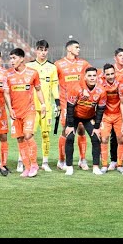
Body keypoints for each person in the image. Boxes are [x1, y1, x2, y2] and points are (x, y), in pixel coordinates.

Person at [3, 48, 46, 178]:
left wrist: (43, 104)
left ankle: (34, 165)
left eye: (14, 58)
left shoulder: (33, 73)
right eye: (10, 58)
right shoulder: (8, 74)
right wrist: (10, 109)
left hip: (29, 111)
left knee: (28, 135)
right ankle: (27, 167)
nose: (11, 61)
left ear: (22, 58)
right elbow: (6, 93)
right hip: (16, 112)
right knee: (20, 139)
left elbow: (38, 90)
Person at [54, 40, 90, 171]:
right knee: (66, 130)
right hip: (65, 104)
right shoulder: (58, 64)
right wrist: (56, 101)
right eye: (76, 47)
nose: (79, 49)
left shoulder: (83, 63)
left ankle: (82, 159)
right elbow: (53, 83)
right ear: (69, 49)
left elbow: (92, 77)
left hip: (81, 103)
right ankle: (61, 160)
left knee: (81, 129)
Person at [25, 40, 60, 172]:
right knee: (28, 135)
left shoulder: (52, 67)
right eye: (40, 49)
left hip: (47, 108)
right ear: (36, 50)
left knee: (46, 135)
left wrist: (57, 103)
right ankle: (27, 160)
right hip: (30, 108)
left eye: (45, 50)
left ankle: (45, 162)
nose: (43, 52)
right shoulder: (28, 66)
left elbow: (54, 87)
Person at [64, 67, 107, 176]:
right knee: (69, 137)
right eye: (89, 76)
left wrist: (97, 127)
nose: (92, 78)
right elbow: (70, 107)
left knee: (96, 138)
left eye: (94, 75)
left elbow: (100, 110)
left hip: (89, 117)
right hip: (74, 116)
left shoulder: (101, 91)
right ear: (85, 77)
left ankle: (96, 167)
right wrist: (69, 125)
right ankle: (69, 167)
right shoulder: (76, 88)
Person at [99, 63, 123, 172]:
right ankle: (104, 165)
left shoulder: (120, 83)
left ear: (115, 73)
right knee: (104, 139)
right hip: (106, 116)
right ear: (104, 75)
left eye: (112, 73)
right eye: (108, 74)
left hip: (118, 115)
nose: (110, 76)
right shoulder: (100, 84)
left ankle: (120, 165)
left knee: (120, 140)